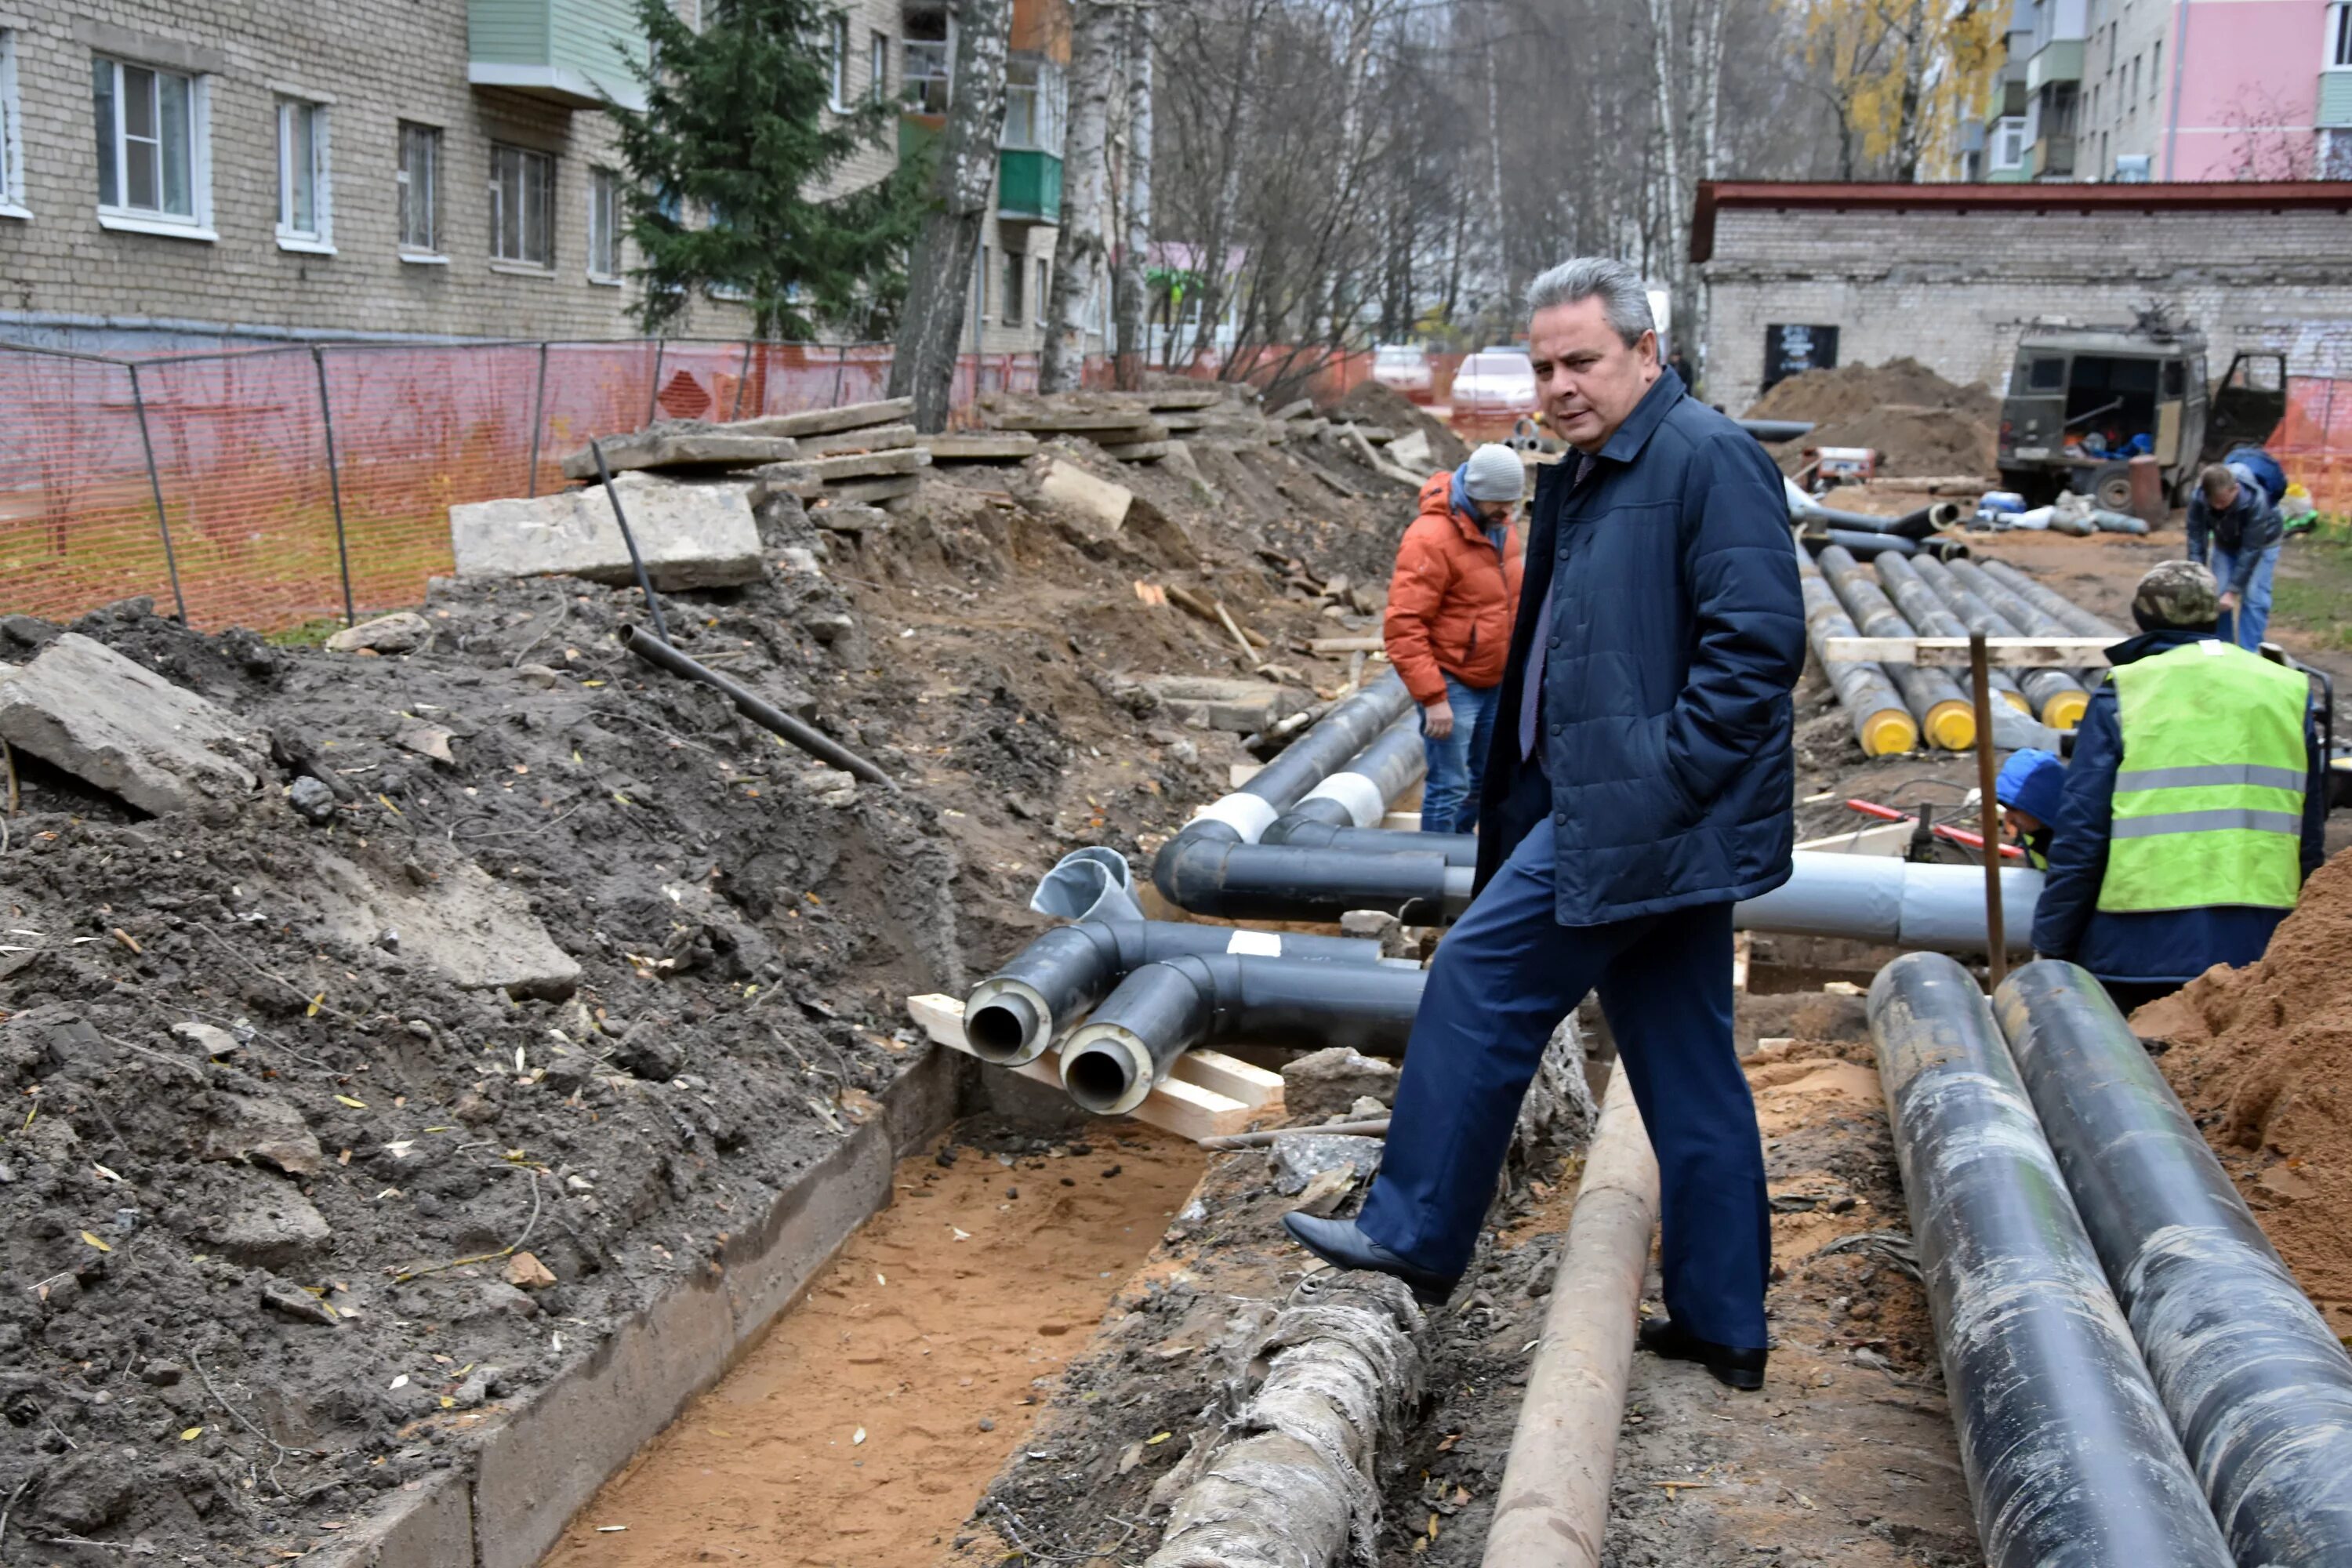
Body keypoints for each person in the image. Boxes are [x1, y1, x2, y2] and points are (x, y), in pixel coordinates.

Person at [1283, 257, 1805, 1392]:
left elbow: (1756, 656)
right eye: (1545, 363)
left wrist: (1654, 790)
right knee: (1684, 1064)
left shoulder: (1708, 461)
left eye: (1584, 360)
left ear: (1647, 354)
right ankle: (1726, 1325)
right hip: (1620, 812)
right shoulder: (1588, 471)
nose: (1561, 383)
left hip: (1644, 818)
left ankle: (1416, 1233)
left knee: (1476, 976)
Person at [2031, 561, 2325, 1014]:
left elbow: (2084, 830)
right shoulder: (2287, 688)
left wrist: (2052, 942)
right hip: (2260, 942)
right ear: (2214, 617)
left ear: (2143, 619)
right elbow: (2309, 831)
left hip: (2137, 947)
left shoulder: (2128, 691)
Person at [1383, 444, 1526, 833]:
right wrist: (1434, 698)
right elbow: (1404, 625)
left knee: (1484, 780)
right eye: (1501, 503)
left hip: (1495, 678)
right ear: (1476, 494)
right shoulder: (1429, 539)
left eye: (1513, 503)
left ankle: (1459, 855)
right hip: (1452, 682)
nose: (1509, 513)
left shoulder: (1500, 526)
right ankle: (1430, 877)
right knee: (1450, 785)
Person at [2186, 461, 2284, 651]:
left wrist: (2232, 592)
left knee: (2255, 597)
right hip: (2226, 542)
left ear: (2235, 489)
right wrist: (2198, 574)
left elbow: (2251, 550)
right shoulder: (2199, 500)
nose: (2219, 507)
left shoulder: (2256, 501)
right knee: (2216, 595)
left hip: (2262, 544)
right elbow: (2196, 539)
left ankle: (2250, 652)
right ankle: (2223, 648)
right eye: (2214, 502)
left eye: (2223, 501)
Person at [1996, 747, 2066, 869]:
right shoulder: (2032, 830)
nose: (2008, 819)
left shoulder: (2077, 842)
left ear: (2041, 802)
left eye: (2014, 809)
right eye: (2006, 809)